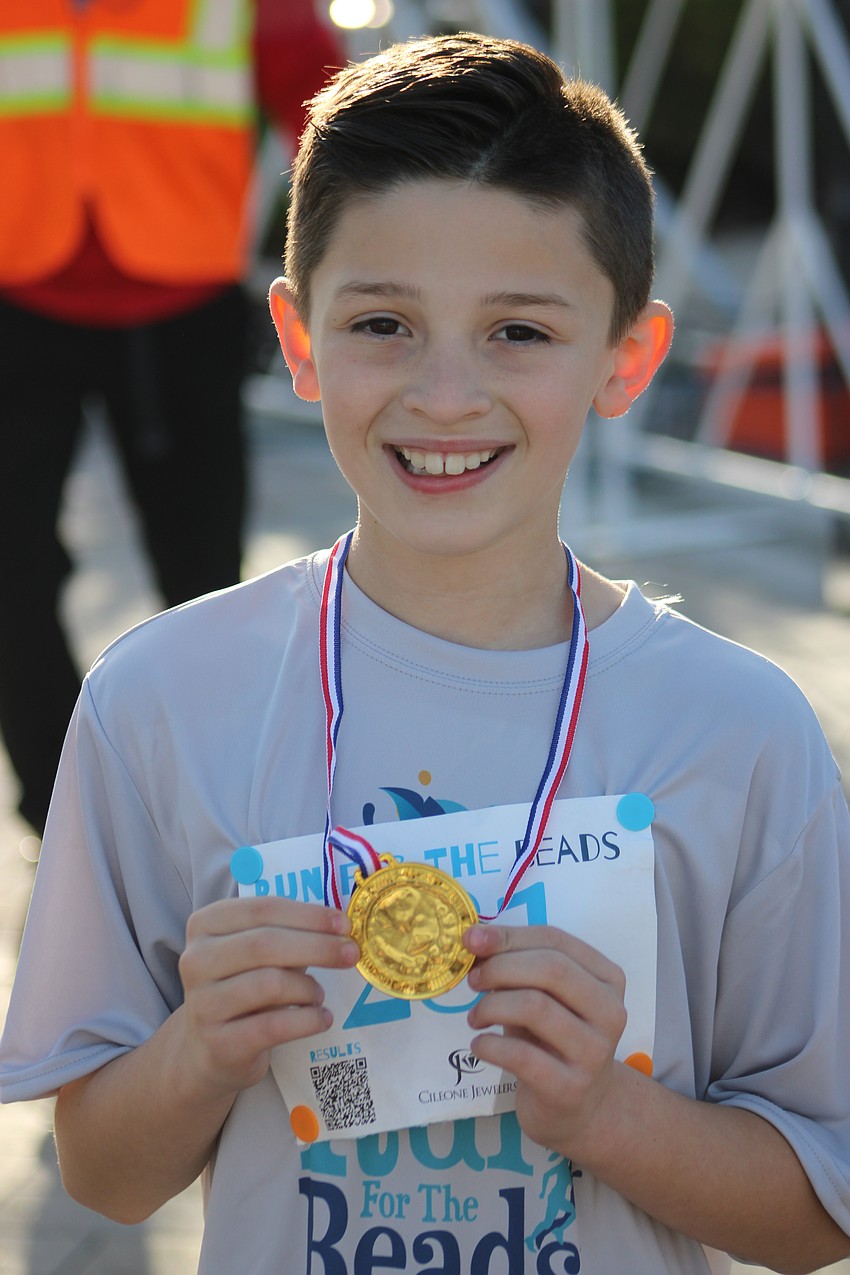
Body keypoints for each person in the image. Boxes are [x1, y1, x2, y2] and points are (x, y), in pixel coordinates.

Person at [2, 32, 849, 1275]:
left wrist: (606, 1113)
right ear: (296, 340)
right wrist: (198, 1047)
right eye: (384, 322)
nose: (444, 394)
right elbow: (105, 1176)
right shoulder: (158, 703)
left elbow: (821, 1212)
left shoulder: (738, 733)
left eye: (519, 332)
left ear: (629, 357)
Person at [0, 0, 342, 835]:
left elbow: (330, 105)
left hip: (183, 306)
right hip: (14, 302)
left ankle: (214, 813)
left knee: (203, 581)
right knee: (7, 571)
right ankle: (69, 816)